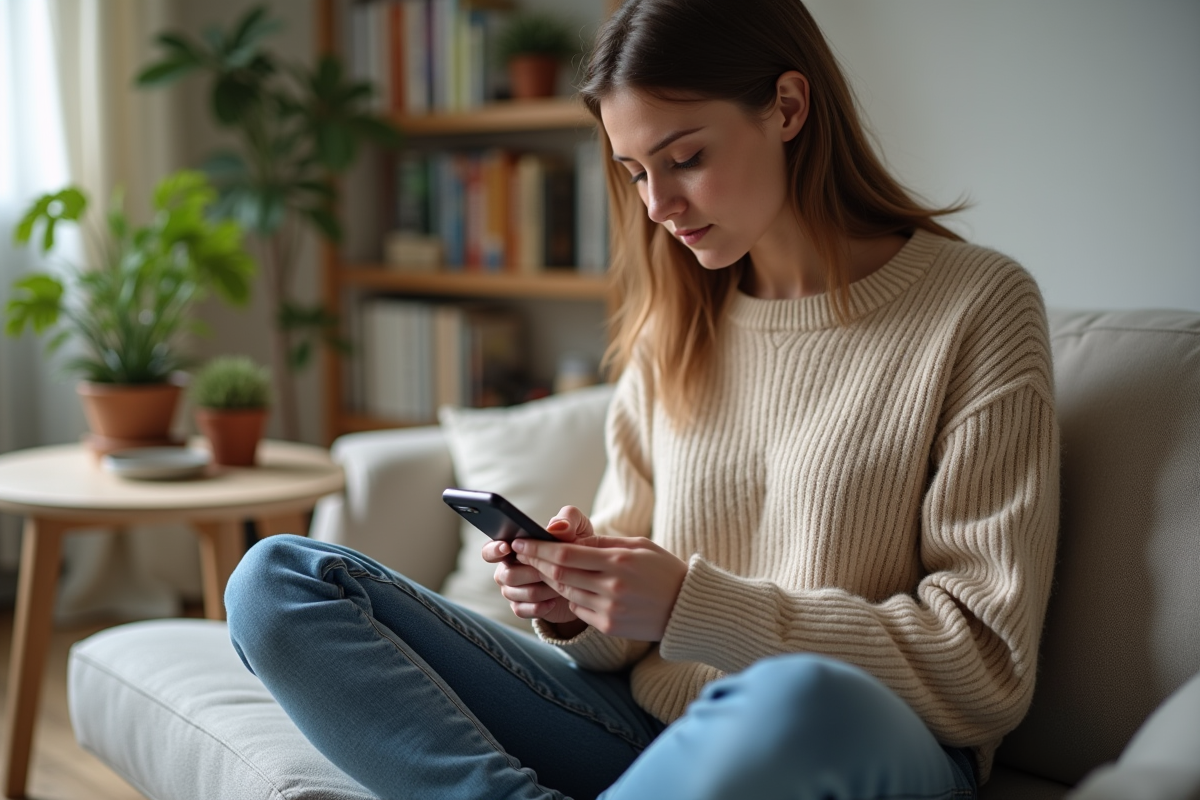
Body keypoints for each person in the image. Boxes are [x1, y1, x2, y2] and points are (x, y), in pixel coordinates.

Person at [225, 0, 1059, 798]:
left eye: (685, 158)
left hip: (853, 743)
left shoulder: (978, 307)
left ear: (789, 106)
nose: (658, 207)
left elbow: (985, 669)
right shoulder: (678, 323)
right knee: (276, 581)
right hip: (643, 730)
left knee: (799, 696)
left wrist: (690, 604)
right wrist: (577, 603)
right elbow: (622, 647)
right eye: (634, 173)